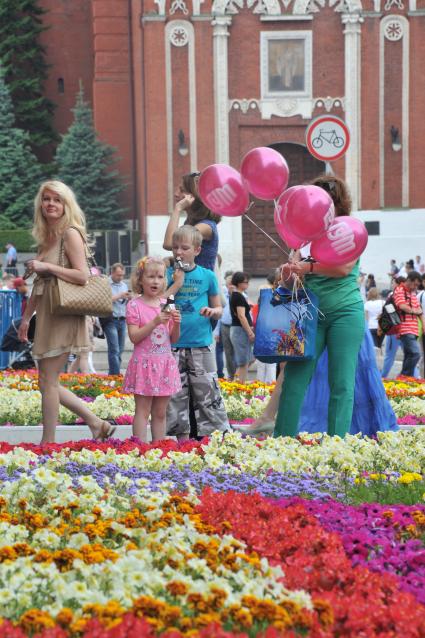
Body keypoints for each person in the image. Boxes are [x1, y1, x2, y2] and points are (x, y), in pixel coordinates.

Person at [17, 180, 116, 443]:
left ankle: (48, 442)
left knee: (48, 380)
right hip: (48, 312)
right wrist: (26, 319)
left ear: (65, 205)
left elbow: (82, 275)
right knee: (45, 380)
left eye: (57, 200)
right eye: (47, 199)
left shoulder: (70, 233)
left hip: (65, 312)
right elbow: (39, 285)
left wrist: (47, 267)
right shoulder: (47, 238)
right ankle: (97, 424)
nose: (51, 204)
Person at [274, 174, 365, 438]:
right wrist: (289, 272)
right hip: (308, 313)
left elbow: (344, 268)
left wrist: (308, 267)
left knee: (342, 383)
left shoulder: (349, 229)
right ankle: (282, 442)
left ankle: (337, 444)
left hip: (345, 312)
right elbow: (291, 281)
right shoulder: (304, 234)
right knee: (294, 380)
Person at [233, 327, 398, 438]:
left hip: (336, 311)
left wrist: (306, 273)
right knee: (294, 365)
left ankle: (268, 418)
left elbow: (344, 273)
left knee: (344, 375)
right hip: (315, 308)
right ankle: (267, 417)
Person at [165, 225, 230, 439]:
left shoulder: (208, 276)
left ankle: (214, 438)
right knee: (175, 394)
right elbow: (160, 304)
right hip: (172, 345)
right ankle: (181, 440)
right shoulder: (166, 274)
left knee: (208, 392)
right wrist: (176, 283)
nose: (179, 252)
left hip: (201, 344)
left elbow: (220, 309)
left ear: (197, 251)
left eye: (184, 248)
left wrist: (213, 311)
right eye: (175, 248)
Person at [122, 257, 181, 442]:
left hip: (164, 363)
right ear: (140, 279)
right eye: (150, 276)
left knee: (160, 412)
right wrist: (155, 322)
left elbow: (172, 339)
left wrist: (177, 324)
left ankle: (158, 448)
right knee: (142, 411)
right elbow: (134, 337)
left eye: (160, 277)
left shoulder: (167, 303)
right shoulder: (134, 305)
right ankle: (138, 448)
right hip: (144, 364)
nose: (155, 281)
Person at [163, 172, 221, 272]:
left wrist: (177, 209)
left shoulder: (205, 226)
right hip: (189, 284)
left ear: (195, 195)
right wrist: (172, 261)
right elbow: (188, 262)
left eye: (182, 190)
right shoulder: (190, 222)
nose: (176, 194)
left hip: (200, 286)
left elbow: (169, 244)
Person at [393, 270, 424, 377]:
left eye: (417, 285)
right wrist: (414, 310)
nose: (416, 287)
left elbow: (419, 310)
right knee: (416, 354)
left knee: (409, 355)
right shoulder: (399, 290)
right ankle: (403, 376)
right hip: (404, 328)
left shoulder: (412, 293)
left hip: (414, 329)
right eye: (414, 284)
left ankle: (405, 379)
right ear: (409, 280)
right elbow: (402, 306)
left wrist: (423, 324)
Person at [102, 263, 131, 375]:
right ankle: (115, 375)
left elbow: (125, 301)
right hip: (110, 320)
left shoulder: (124, 285)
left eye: (122, 275)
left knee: (120, 350)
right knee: (114, 349)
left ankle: (112, 374)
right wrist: (120, 296)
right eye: (118, 275)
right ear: (112, 273)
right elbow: (104, 300)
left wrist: (129, 298)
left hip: (122, 320)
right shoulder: (105, 284)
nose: (121, 278)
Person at [229, 271, 254, 383]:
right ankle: (240, 386)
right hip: (240, 330)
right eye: (245, 282)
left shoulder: (237, 295)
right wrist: (250, 332)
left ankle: (237, 384)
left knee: (246, 360)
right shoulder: (238, 296)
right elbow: (241, 316)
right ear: (239, 283)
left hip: (239, 330)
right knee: (243, 362)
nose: (247, 284)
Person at [213, 273, 236, 380]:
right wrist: (217, 332)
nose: (231, 286)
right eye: (229, 284)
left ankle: (235, 374)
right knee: (224, 350)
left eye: (232, 284)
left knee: (234, 351)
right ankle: (222, 374)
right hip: (224, 326)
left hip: (236, 327)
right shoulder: (222, 296)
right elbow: (220, 313)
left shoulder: (239, 294)